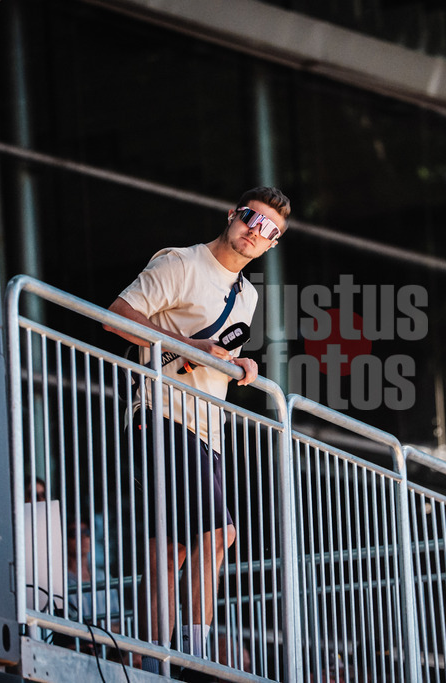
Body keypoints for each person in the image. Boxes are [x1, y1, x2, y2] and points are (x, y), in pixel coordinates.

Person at [104, 187, 290, 667]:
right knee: (218, 535)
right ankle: (195, 659)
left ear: (272, 245)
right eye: (252, 219)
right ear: (233, 213)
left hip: (207, 431)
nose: (256, 231)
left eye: (269, 231)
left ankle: (150, 664)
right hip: (162, 416)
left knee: (172, 550)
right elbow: (118, 315)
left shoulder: (247, 296)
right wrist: (188, 346)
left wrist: (240, 366)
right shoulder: (181, 263)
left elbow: (214, 354)